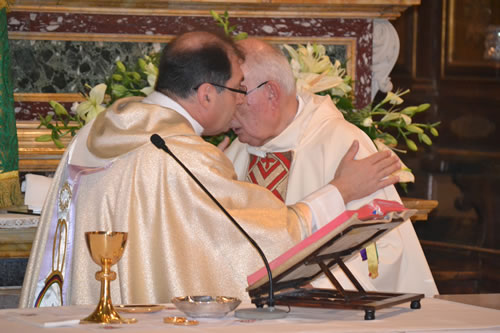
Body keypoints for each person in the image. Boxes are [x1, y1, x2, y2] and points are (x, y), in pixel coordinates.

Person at [19, 31, 400, 308]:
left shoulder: (97, 130)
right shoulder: (180, 154)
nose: (238, 104)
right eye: (236, 90)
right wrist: (341, 191)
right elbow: (261, 241)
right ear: (205, 94)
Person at [224, 38, 439, 297]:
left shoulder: (345, 145)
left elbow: (381, 247)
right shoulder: (233, 154)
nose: (228, 110)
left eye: (236, 95)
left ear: (271, 92)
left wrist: (317, 286)